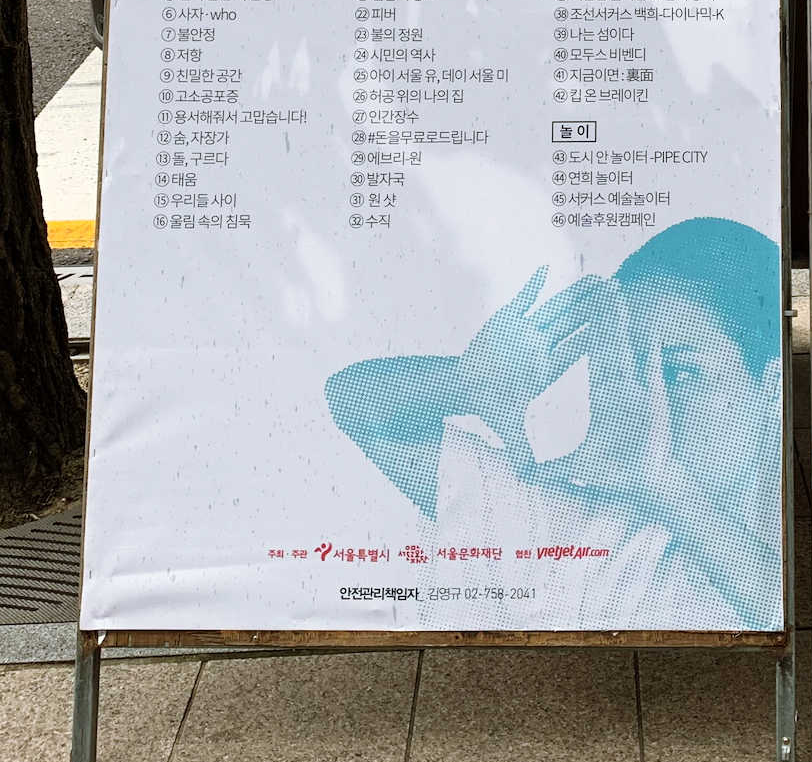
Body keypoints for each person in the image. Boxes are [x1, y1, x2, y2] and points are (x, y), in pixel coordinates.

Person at [326, 218, 784, 631]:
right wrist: (467, 382)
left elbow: (780, 605)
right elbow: (354, 402)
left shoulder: (788, 514)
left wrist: (666, 484)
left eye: (682, 374)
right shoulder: (566, 512)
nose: (649, 399)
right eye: (630, 366)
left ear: (770, 384)